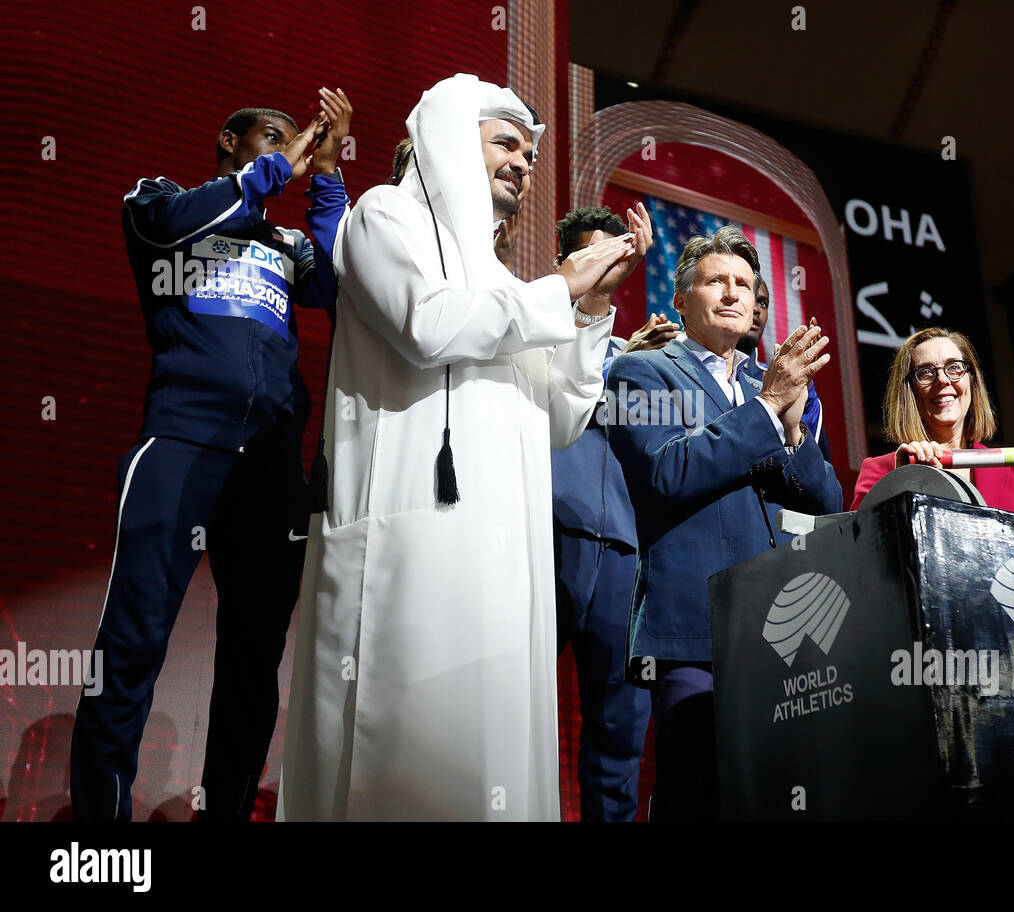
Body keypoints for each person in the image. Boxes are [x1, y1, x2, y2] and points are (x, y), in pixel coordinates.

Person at [277, 74, 643, 821]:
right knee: (404, 755)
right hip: (411, 544)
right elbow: (427, 325)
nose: (524, 163)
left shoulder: (504, 280)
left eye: (532, 154)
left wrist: (592, 307)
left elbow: (561, 416)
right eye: (506, 143)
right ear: (447, 140)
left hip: (500, 560)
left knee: (488, 764)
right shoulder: (382, 218)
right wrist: (558, 289)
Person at [71, 90, 353, 822]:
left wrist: (325, 175)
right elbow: (166, 224)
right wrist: (270, 174)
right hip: (181, 440)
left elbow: (336, 283)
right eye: (269, 137)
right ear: (226, 142)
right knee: (133, 639)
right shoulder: (162, 204)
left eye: (295, 139)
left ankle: (223, 814)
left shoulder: (285, 246)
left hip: (269, 461)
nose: (283, 147)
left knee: (254, 660)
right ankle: (102, 834)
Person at [606, 225, 842, 820]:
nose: (735, 294)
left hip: (782, 636)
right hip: (693, 633)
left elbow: (826, 503)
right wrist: (766, 408)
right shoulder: (639, 374)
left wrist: (790, 429)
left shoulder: (769, 387)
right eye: (717, 282)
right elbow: (666, 473)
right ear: (682, 299)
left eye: (744, 284)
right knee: (698, 796)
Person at [550, 205, 671, 821]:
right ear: (562, 262)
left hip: (625, 557)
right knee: (521, 713)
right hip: (547, 540)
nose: (606, 269)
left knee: (620, 734)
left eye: (617, 256)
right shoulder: (533, 328)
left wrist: (632, 359)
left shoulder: (641, 362)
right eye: (593, 255)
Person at [849, 327, 1014, 526]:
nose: (943, 379)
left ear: (972, 382)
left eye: (954, 367)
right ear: (908, 393)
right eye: (925, 373)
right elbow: (860, 555)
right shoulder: (882, 471)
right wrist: (903, 483)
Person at [738, 274, 832, 463]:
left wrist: (803, 388)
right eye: (750, 299)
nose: (757, 309)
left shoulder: (787, 379)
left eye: (763, 303)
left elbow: (819, 467)